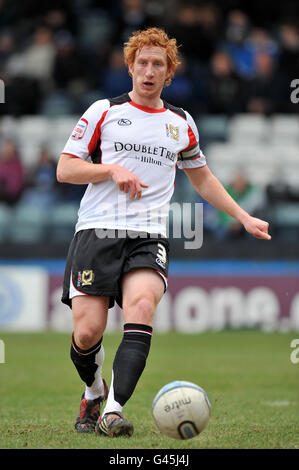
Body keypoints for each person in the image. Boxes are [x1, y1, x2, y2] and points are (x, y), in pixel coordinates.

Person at [56, 27, 271, 438]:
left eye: (158, 64)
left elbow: (203, 180)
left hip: (148, 235)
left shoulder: (181, 123)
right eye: (142, 63)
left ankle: (113, 411)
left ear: (169, 73)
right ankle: (93, 390)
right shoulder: (103, 111)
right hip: (97, 231)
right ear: (131, 68)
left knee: (140, 308)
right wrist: (111, 169)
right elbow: (65, 169)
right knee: (87, 333)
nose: (149, 71)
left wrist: (243, 216)